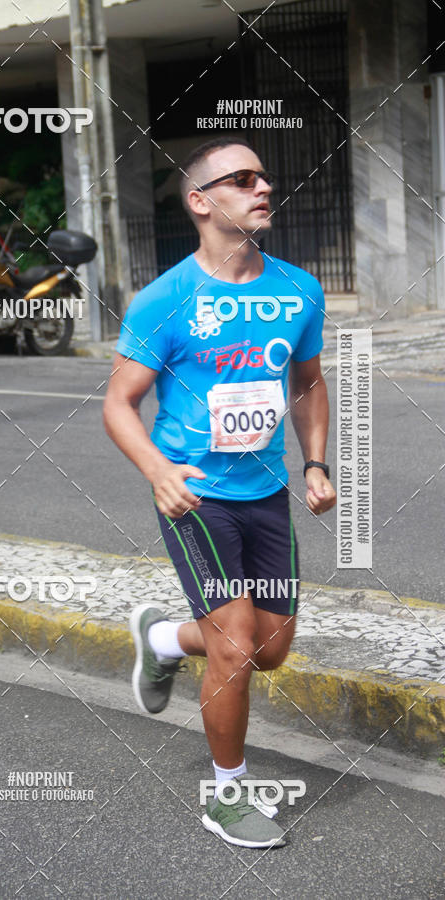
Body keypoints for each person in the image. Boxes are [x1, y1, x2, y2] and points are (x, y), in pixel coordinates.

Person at [103, 137, 336, 849]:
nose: (263, 186)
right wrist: (158, 471)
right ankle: (228, 794)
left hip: (265, 491)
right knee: (234, 647)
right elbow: (118, 403)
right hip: (195, 494)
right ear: (201, 202)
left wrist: (315, 464)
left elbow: (308, 381)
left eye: (265, 176)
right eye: (242, 179)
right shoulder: (165, 300)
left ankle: (164, 638)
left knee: (269, 649)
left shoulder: (298, 289)